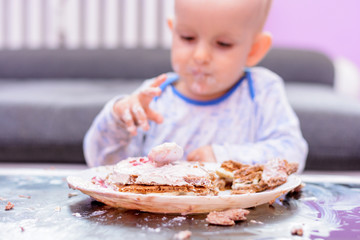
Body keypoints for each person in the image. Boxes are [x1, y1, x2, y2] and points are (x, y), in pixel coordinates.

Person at [84, 0, 308, 172]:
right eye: (188, 38)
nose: (200, 56)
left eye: (223, 44)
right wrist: (117, 120)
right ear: (173, 32)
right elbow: (101, 163)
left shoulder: (260, 90)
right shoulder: (154, 96)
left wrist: (224, 157)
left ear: (254, 50)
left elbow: (292, 153)